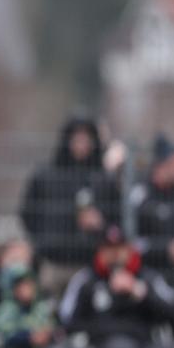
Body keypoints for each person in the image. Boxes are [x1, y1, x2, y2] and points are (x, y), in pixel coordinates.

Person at [20, 115, 106, 297]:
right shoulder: (45, 175)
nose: (81, 144)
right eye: (77, 138)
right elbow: (27, 213)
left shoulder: (103, 179)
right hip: (52, 263)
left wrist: (100, 225)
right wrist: (42, 242)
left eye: (87, 139)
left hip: (89, 264)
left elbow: (116, 218)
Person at [131, 134, 174, 307]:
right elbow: (133, 243)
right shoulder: (140, 197)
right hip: (151, 273)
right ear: (163, 164)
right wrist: (166, 248)